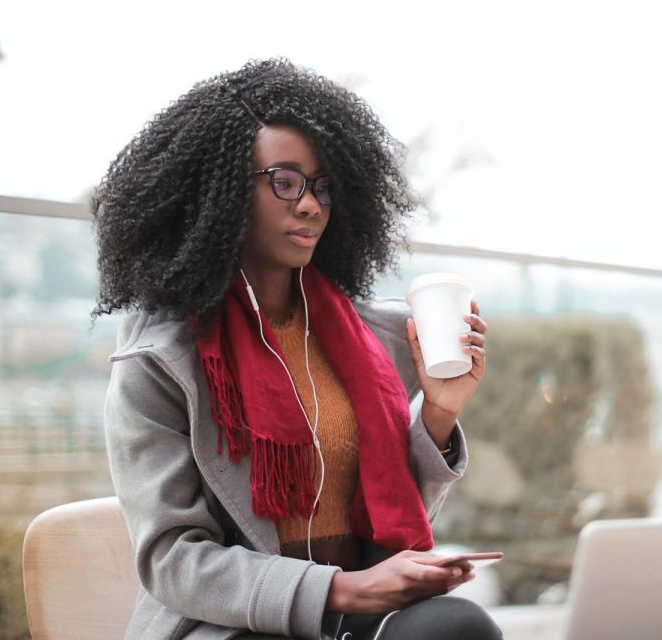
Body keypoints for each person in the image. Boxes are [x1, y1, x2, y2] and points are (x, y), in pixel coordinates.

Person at [91, 58, 501, 640]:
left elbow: (394, 515)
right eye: (285, 181)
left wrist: (439, 409)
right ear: (221, 193)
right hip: (233, 625)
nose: (310, 205)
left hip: (353, 616)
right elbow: (173, 559)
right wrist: (342, 590)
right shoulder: (159, 361)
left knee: (458, 625)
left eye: (323, 186)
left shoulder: (369, 337)